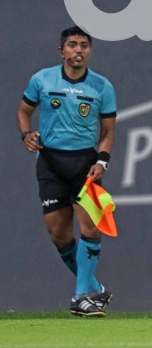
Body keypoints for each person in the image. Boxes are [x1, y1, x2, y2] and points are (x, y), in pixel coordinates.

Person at [17, 26, 117, 317]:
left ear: (90, 51)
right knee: (59, 235)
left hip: (84, 166)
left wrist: (102, 162)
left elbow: (108, 131)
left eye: (84, 45)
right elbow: (23, 111)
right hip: (50, 163)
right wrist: (26, 135)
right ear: (61, 51)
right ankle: (93, 289)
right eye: (72, 45)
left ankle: (79, 296)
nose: (78, 50)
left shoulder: (102, 87)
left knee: (91, 229)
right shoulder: (42, 79)